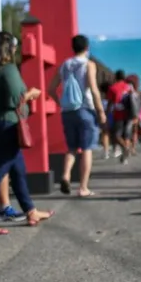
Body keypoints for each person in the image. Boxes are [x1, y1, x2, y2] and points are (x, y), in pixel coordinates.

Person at [0, 32, 55, 234]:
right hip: (6, 125)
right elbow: (17, 98)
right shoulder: (8, 69)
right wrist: (31, 94)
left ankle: (31, 211)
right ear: (9, 49)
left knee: (18, 169)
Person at [48, 35, 108, 196]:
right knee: (87, 149)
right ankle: (83, 188)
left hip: (68, 111)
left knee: (72, 148)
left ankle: (65, 175)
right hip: (85, 110)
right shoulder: (89, 64)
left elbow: (50, 89)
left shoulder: (64, 65)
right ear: (87, 47)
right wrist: (101, 112)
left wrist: (61, 103)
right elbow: (94, 89)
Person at [106, 70, 134, 161]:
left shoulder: (113, 88)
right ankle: (125, 157)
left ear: (116, 77)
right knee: (127, 135)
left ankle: (125, 148)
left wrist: (107, 113)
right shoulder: (129, 87)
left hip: (118, 114)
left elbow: (110, 103)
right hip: (129, 114)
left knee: (116, 135)